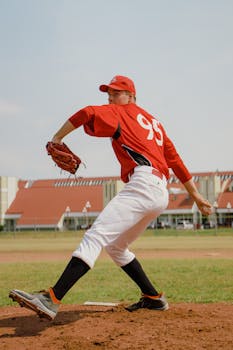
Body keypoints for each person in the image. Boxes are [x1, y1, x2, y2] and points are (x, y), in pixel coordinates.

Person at [9, 75, 212, 320]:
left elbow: (85, 113)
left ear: (131, 96)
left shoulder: (121, 112)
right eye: (109, 93)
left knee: (95, 236)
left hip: (143, 183)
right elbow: (175, 161)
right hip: (159, 191)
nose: (111, 97)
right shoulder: (154, 123)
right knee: (116, 247)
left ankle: (51, 298)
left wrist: (57, 138)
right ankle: (153, 298)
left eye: (116, 93)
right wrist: (198, 196)